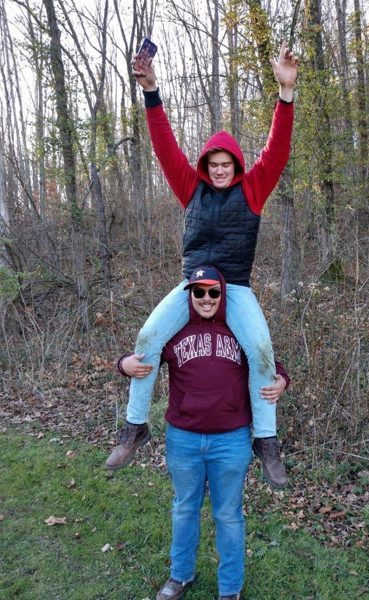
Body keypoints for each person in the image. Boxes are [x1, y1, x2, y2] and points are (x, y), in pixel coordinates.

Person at [105, 41, 298, 487]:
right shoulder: (189, 188)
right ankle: (135, 427)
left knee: (262, 349)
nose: (220, 170)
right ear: (204, 166)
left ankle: (267, 441)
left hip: (236, 287)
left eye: (226, 164)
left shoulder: (253, 190)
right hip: (192, 285)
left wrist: (286, 94)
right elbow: (164, 145)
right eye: (213, 164)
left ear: (236, 165)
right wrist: (151, 91)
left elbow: (277, 151)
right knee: (147, 338)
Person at [116, 265, 289, 600]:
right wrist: (123, 363)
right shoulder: (175, 331)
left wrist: (282, 379)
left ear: (224, 295)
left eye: (213, 292)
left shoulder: (239, 328)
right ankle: (180, 576)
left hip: (231, 440)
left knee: (229, 515)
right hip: (183, 438)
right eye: (199, 292)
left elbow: (266, 362)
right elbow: (144, 357)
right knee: (184, 508)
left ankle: (230, 589)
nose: (206, 298)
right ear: (189, 295)